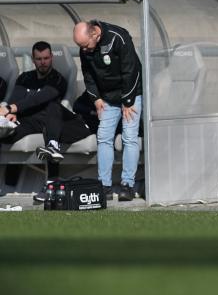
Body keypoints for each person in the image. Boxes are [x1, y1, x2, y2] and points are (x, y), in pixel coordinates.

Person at [0, 42, 93, 200]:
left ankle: (51, 183)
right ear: (33, 59)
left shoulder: (57, 80)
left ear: (51, 58)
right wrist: (11, 115)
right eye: (39, 59)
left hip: (57, 120)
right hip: (31, 121)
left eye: (46, 58)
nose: (43, 62)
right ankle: (8, 184)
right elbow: (16, 98)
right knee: (6, 134)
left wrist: (11, 109)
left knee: (51, 108)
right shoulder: (25, 77)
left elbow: (39, 98)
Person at [72, 20, 143, 202]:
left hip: (131, 93)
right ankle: (104, 186)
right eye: (81, 46)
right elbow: (88, 74)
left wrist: (128, 101)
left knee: (129, 137)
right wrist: (96, 98)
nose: (84, 50)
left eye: (85, 45)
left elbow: (131, 70)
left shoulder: (118, 37)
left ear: (95, 34)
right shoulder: (85, 48)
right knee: (103, 137)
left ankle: (127, 184)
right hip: (108, 97)